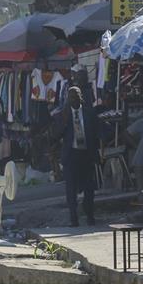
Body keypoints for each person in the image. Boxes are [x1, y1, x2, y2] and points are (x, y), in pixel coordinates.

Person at [53, 86, 99, 226]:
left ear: (81, 97)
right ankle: (74, 218)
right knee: (71, 189)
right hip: (71, 155)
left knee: (89, 188)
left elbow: (96, 132)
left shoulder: (89, 113)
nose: (73, 99)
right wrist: (64, 121)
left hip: (86, 154)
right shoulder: (62, 114)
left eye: (76, 96)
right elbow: (55, 135)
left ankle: (90, 215)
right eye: (70, 97)